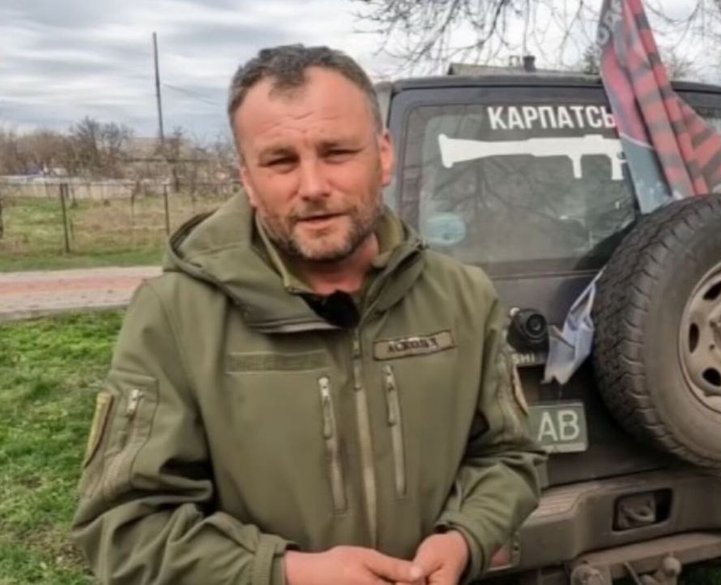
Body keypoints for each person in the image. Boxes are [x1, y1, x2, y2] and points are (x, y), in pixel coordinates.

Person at [71, 44, 546, 585]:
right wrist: (284, 573)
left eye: (337, 152)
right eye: (280, 161)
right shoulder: (174, 316)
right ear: (247, 178)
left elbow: (510, 457)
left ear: (384, 155)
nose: (314, 186)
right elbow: (125, 528)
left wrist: (465, 537)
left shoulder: (463, 297)